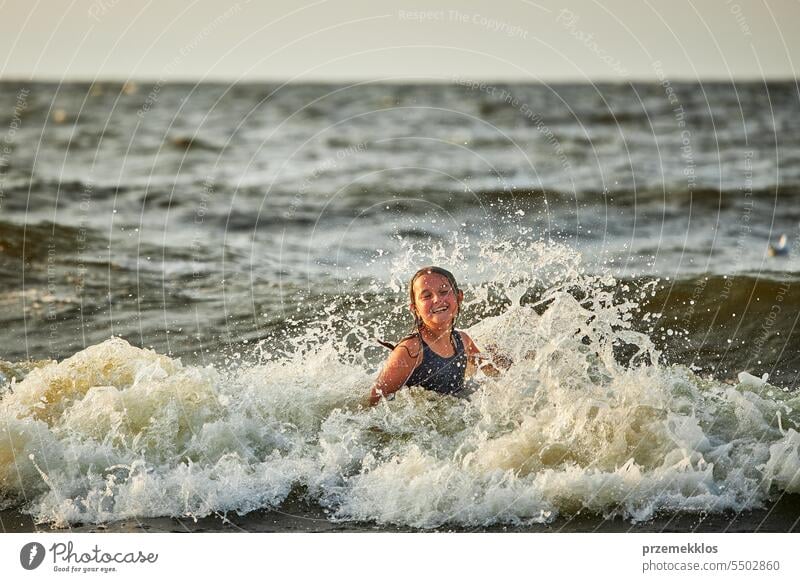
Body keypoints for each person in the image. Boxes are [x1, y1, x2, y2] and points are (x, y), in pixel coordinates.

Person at [367, 266, 507, 405]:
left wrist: (502, 359)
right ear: (415, 309)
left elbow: (494, 372)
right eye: (427, 296)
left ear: (459, 297)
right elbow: (374, 401)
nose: (437, 299)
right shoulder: (411, 350)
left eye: (444, 291)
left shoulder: (463, 341)